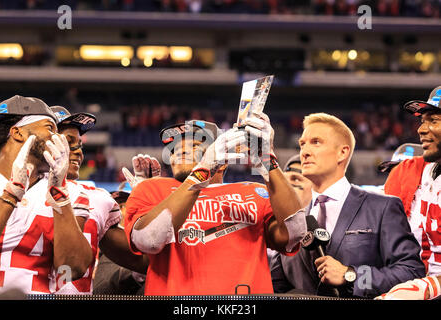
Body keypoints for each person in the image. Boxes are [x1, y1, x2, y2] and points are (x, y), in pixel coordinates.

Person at [124, 116, 307, 295]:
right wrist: (202, 171)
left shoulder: (254, 192)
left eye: (194, 146)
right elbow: (149, 240)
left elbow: (294, 232)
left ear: (224, 157)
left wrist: (267, 157)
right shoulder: (152, 187)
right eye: (174, 149)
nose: (179, 151)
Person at [271, 112, 425, 298]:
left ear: (342, 152)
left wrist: (351, 275)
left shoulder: (381, 208)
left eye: (316, 142)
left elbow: (411, 272)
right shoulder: (293, 219)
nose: (304, 151)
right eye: (302, 144)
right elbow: (276, 285)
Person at [0, 96, 93, 295]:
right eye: (50, 129)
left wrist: (60, 196)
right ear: (18, 132)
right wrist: (11, 195)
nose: (59, 138)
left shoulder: (69, 191)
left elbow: (73, 269)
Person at [50, 106, 149, 294]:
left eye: (79, 145)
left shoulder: (96, 198)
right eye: (68, 142)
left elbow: (144, 261)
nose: (78, 152)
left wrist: (150, 202)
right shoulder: (9, 191)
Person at [377, 86, 441, 300]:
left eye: (434, 120)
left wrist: (429, 287)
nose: (421, 129)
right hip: (406, 280)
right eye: (423, 120)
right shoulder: (410, 171)